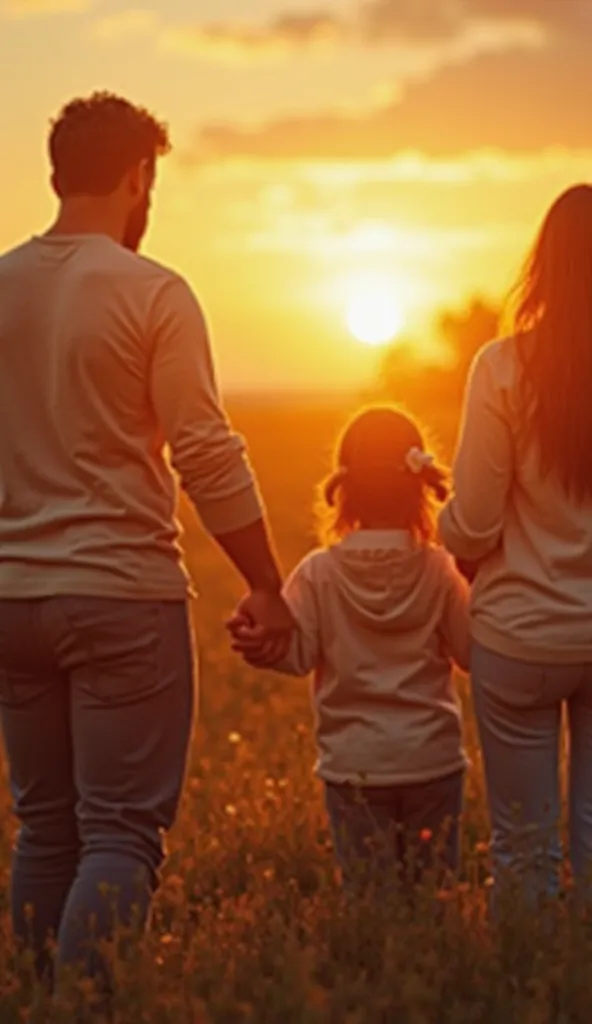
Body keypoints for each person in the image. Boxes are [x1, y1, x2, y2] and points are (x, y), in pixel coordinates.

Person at [0, 92, 291, 986]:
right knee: (120, 832)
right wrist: (266, 584)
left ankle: (35, 1002)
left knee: (46, 827)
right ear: (139, 176)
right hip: (123, 594)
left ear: (57, 175)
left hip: (11, 602)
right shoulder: (153, 290)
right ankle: (82, 1009)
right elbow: (205, 452)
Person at [230, 407, 470, 892]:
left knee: (370, 897)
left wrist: (260, 645)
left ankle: (376, 965)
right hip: (432, 759)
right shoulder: (442, 570)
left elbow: (296, 656)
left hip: (354, 766)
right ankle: (436, 967)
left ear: (345, 491)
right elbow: (469, 652)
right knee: (434, 894)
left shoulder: (319, 572)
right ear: (420, 490)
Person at [439, 184, 592, 906]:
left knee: (524, 846)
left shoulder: (500, 367)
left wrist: (442, 520)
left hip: (521, 637)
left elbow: (472, 525)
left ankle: (528, 989)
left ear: (543, 267)